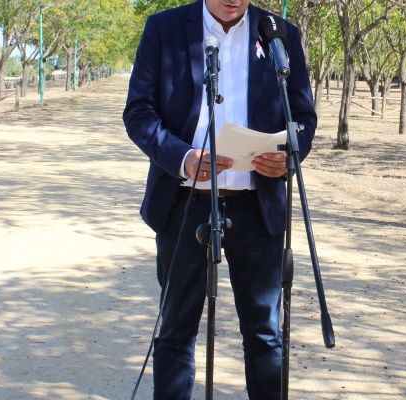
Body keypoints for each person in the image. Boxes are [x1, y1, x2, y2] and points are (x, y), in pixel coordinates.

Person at [122, 0, 316, 398]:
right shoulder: (164, 29)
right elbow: (139, 112)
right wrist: (182, 158)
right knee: (176, 328)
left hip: (256, 206)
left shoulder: (280, 33)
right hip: (184, 200)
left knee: (264, 332)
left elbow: (303, 116)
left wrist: (288, 156)